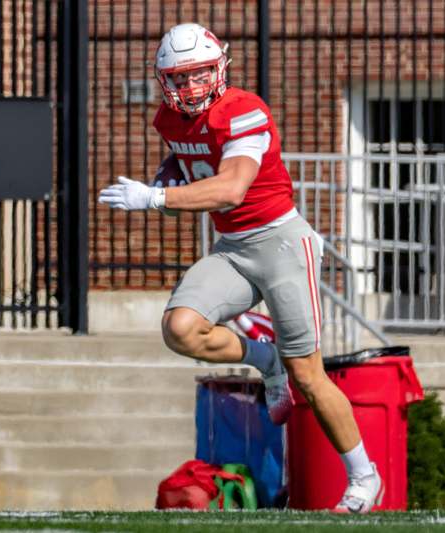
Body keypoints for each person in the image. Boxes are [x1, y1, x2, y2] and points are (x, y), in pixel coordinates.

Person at [99, 22, 383, 513]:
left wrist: (156, 197)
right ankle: (263, 358)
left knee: (308, 374)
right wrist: (170, 174)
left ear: (219, 69)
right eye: (180, 77)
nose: (191, 86)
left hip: (280, 243)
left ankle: (364, 475)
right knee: (180, 329)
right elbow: (189, 157)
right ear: (165, 81)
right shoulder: (169, 119)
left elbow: (231, 188)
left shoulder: (243, 110)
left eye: (200, 74)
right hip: (233, 246)